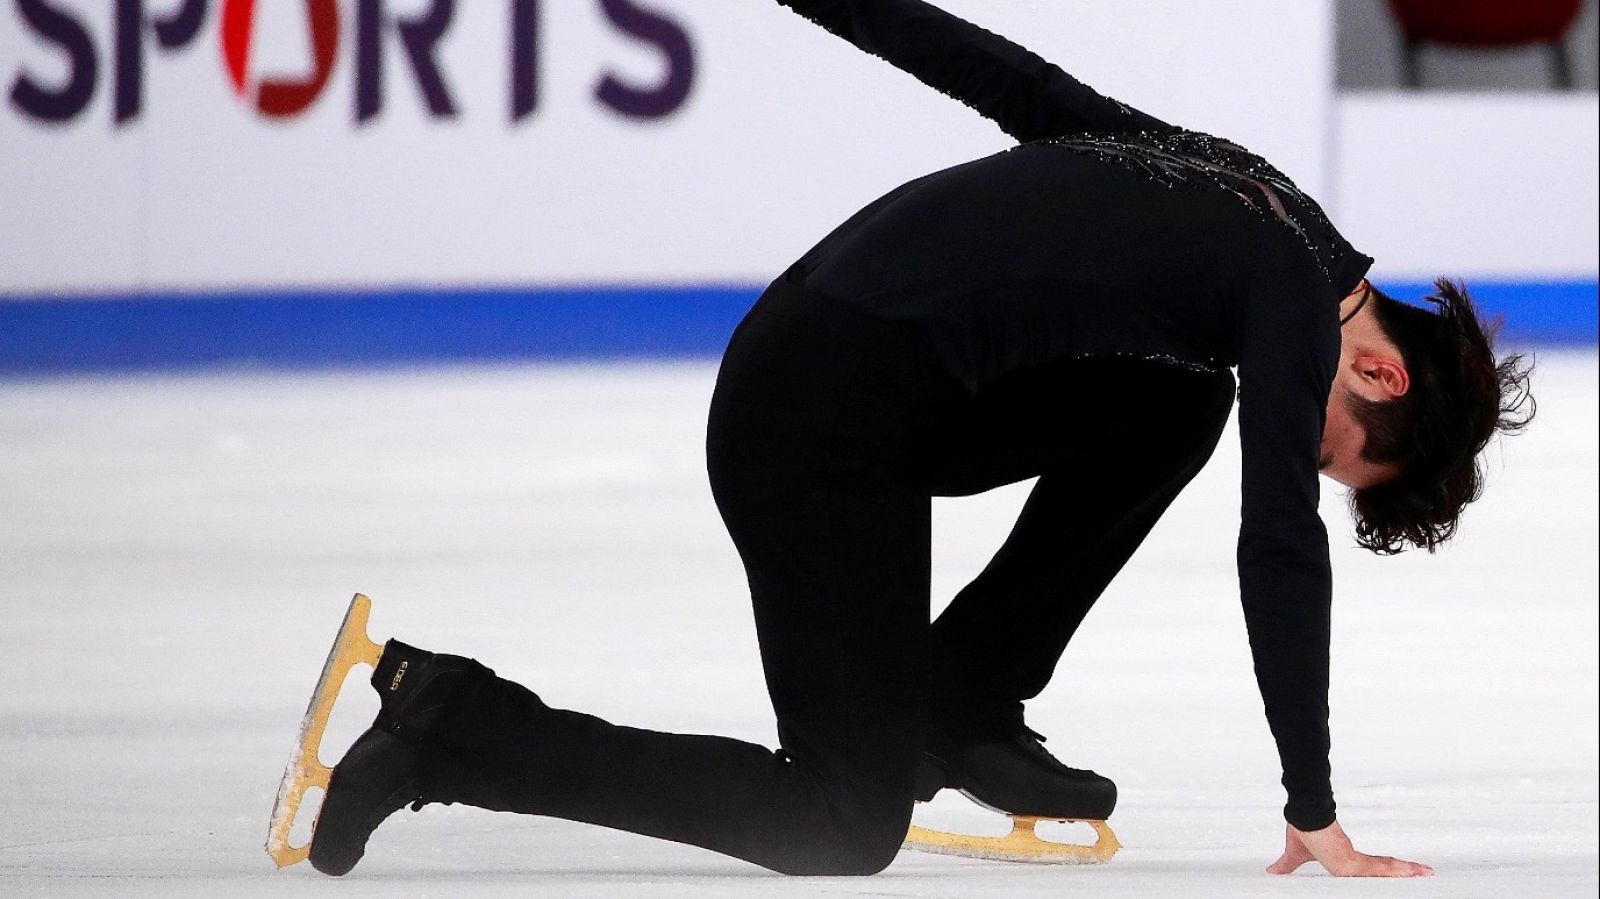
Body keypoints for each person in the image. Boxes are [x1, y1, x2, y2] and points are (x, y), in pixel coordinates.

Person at [303, 0, 1534, 879]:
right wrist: (1311, 804)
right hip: (813, 420)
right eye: (1331, 446)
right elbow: (1276, 546)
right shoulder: (1279, 289)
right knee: (841, 824)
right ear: (1374, 367)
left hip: (859, 373)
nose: (1300, 450)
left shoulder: (1261, 201)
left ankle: (959, 701)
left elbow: (1011, 81)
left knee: (1175, 402)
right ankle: (454, 725)